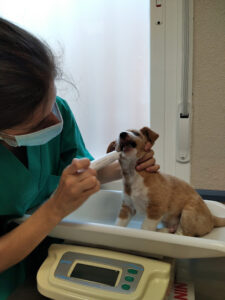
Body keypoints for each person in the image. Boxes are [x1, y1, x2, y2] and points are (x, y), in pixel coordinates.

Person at [0, 17, 159, 299]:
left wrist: (123, 167)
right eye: (36, 121)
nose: (53, 119)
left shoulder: (56, 111)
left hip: (48, 252)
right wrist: (54, 209)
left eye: (51, 100)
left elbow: (78, 173)